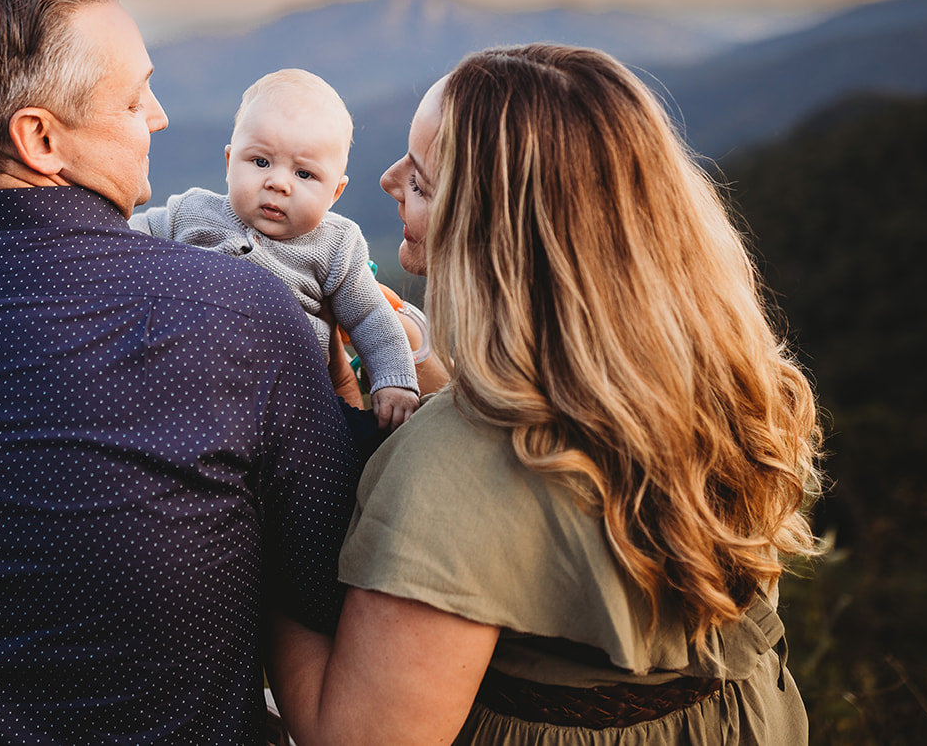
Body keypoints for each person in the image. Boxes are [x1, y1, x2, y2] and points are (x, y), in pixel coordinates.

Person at [0, 0, 361, 745]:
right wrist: (348, 397)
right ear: (40, 138)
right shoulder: (236, 313)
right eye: (132, 95)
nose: (160, 115)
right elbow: (333, 582)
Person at [269, 44, 821, 744]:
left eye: (424, 180)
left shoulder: (450, 472)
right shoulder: (723, 388)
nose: (384, 179)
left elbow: (349, 737)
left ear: (494, 235)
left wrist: (266, 526)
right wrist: (439, 380)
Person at [131, 69, 421, 430]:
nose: (278, 183)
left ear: (335, 193)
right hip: (185, 388)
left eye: (304, 174)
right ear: (229, 162)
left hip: (290, 408)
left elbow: (371, 317)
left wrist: (393, 379)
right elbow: (123, 240)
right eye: (261, 162)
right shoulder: (190, 211)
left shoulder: (336, 246)